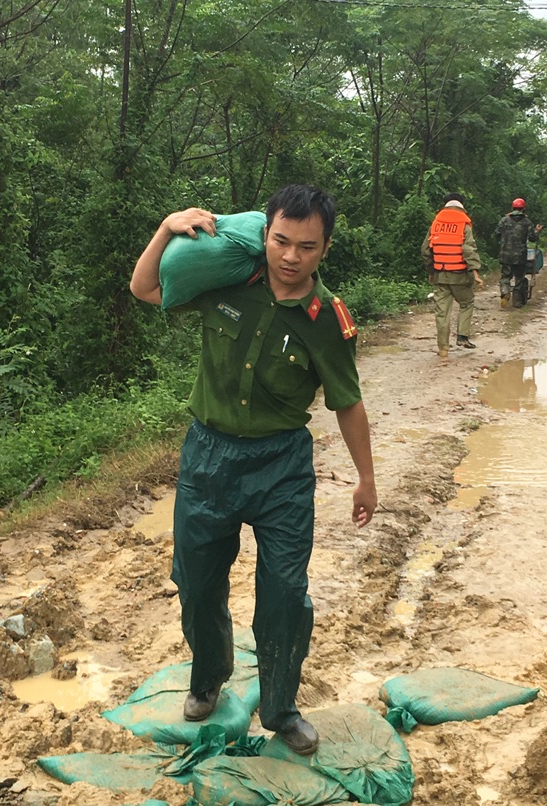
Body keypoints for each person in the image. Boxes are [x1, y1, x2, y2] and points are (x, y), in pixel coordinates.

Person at [129, 184, 377, 756]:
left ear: (325, 248)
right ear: (265, 234)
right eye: (281, 241)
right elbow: (144, 287)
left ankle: (282, 707)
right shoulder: (224, 282)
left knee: (286, 592)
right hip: (207, 458)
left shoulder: (327, 320)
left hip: (281, 468)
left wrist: (366, 477)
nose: (290, 257)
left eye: (307, 247)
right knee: (196, 581)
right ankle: (208, 677)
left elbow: (348, 402)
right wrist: (167, 227)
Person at [421, 192, 483, 359]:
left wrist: (431, 271)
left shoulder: (436, 224)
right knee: (467, 302)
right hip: (460, 276)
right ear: (461, 206)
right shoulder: (464, 224)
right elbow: (468, 249)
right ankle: (462, 336)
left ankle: (443, 349)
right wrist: (475, 272)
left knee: (442, 313)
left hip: (440, 276)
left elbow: (425, 250)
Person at [494, 198, 543, 309]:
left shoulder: (504, 220)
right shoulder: (527, 222)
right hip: (520, 256)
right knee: (519, 278)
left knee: (505, 276)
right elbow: (533, 238)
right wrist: (537, 231)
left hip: (505, 254)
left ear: (512, 208)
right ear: (523, 208)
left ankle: (505, 292)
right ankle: (517, 302)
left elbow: (497, 233)